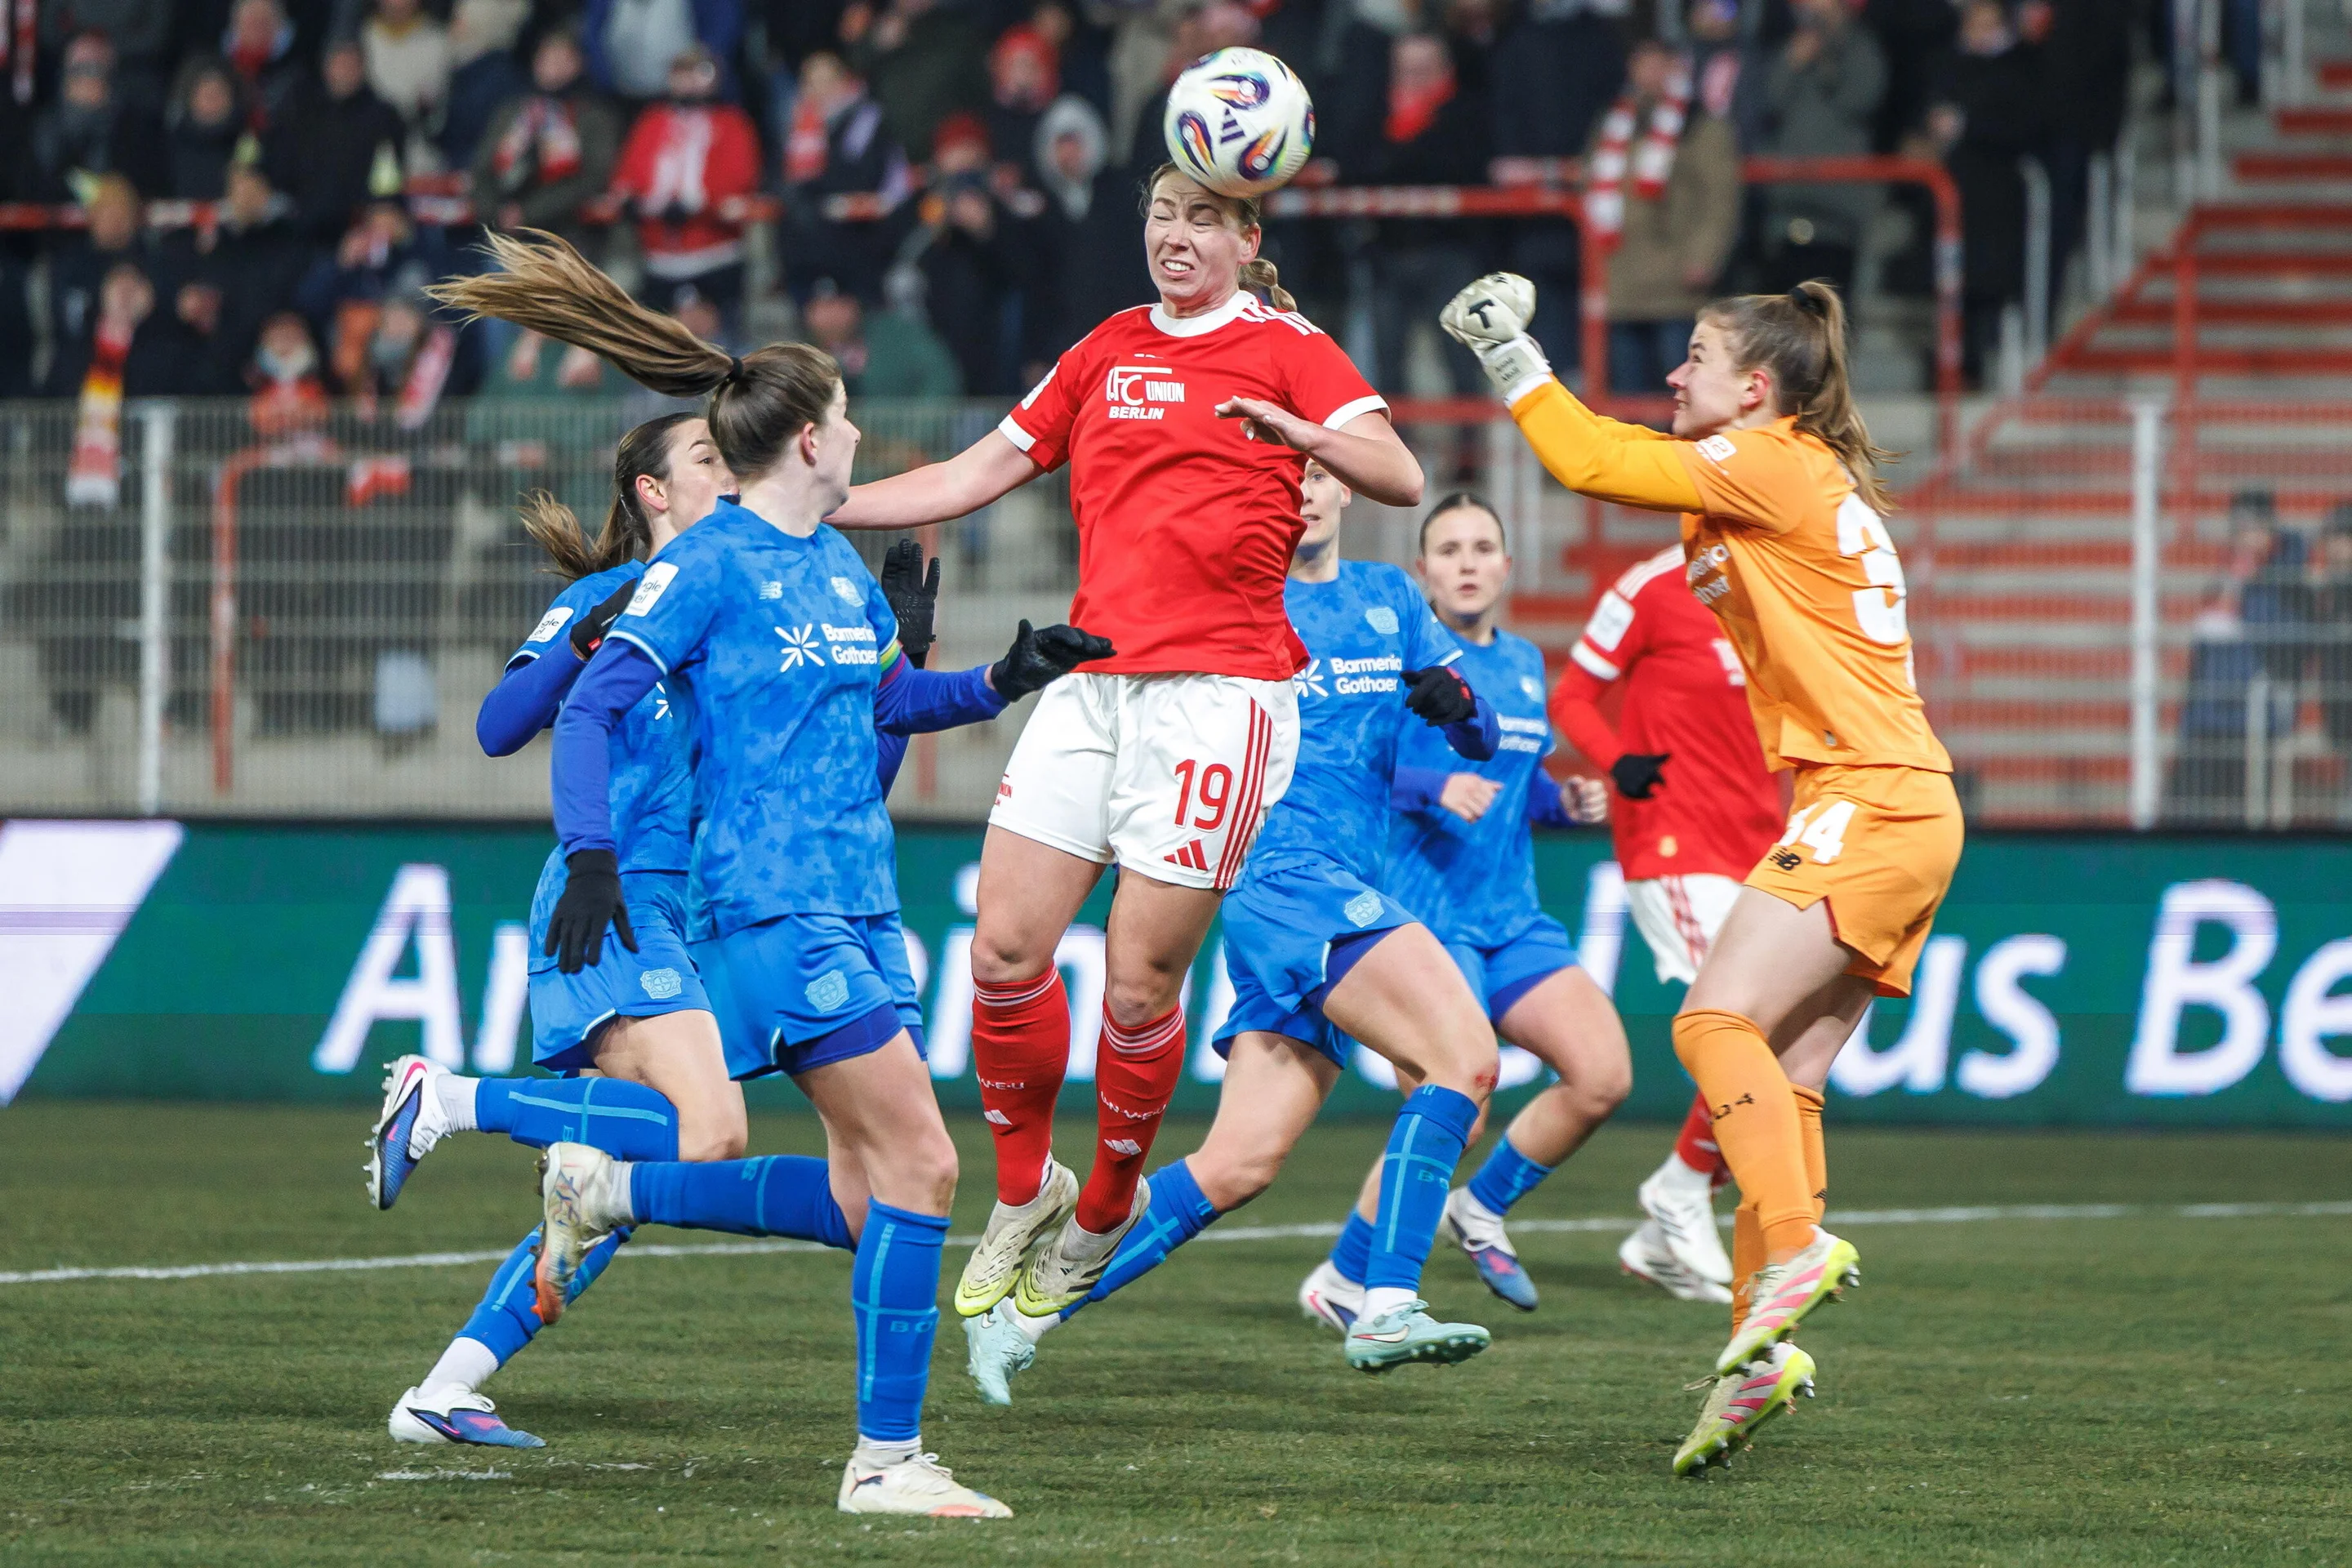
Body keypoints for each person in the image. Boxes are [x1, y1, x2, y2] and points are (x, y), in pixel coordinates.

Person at [416, 230, 1107, 1516]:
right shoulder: (708, 560)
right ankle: (884, 1461)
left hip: (857, 898)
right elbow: (583, 706)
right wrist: (595, 860)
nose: (858, 435)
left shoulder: (834, 564)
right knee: (927, 1167)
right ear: (807, 441)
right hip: (773, 908)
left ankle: (612, 1185)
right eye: (845, 417)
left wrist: (1004, 679)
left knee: (864, 1197)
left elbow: (891, 702)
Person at [826, 163, 1423, 1343]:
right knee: (1004, 945)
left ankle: (1104, 1207)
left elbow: (1399, 476)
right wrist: (811, 505)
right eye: (1161, 215)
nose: (1175, 237)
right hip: (1093, 683)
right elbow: (976, 472)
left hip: (1223, 699)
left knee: (1140, 977)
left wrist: (1299, 430)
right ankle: (1024, 1191)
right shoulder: (1104, 348)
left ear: (1248, 238)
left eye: (1203, 218)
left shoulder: (1288, 345)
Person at [1439, 270, 1961, 1477]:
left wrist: (1507, 351)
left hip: (1869, 798)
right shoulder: (1769, 484)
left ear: (1758, 387)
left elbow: (1591, 463)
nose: (1675, 375)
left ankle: (1786, 1256)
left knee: (1712, 1019)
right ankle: (1758, 1351)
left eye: (1694, 357)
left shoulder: (1772, 461)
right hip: (1897, 800)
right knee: (1785, 1074)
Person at [963, 459, 1507, 1403]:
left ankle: (1020, 1324)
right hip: (1283, 879)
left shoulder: (1391, 598)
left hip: (1337, 890)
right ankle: (1380, 1299)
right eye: (1280, 473)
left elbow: (1483, 737)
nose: (1299, 489)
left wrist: (1463, 711)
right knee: (1464, 1062)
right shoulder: (1229, 603)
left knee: (1238, 1163)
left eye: (1315, 473)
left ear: (1344, 488)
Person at [1295, 491, 1627, 1329]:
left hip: (1513, 919)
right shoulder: (1402, 660)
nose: (1468, 562)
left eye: (1483, 547)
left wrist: (1564, 801)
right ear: (1422, 572)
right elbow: (1361, 773)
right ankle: (1342, 1279)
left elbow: (1517, 790)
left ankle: (1477, 1211)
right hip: (1426, 920)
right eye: (1449, 550)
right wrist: (1436, 783)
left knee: (1602, 1075)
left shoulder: (1521, 663)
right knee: (1456, 1112)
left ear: (1507, 568)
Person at [1550, 532, 1785, 1304]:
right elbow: (1571, 696)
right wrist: (1617, 765)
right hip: (1674, 843)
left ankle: (1661, 1236)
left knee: (1778, 1038)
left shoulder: (1782, 587)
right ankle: (1681, 1195)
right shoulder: (1650, 587)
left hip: (1761, 846)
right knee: (1741, 1027)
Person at [1590, 39, 1743, 398]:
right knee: (1629, 403)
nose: (1649, 76)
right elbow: (1592, 187)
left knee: (1683, 393)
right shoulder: (1615, 124)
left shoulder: (1700, 126)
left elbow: (1719, 199)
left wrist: (1704, 258)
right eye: (1642, 66)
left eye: (1659, 66)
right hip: (1622, 280)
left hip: (1676, 283)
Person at [605, 45, 761, 324]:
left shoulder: (732, 122)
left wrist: (696, 204)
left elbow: (740, 179)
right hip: (658, 257)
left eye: (697, 73)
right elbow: (627, 175)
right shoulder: (652, 121)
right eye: (680, 73)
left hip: (715, 255)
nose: (688, 82)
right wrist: (632, 199)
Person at [470, 29, 622, 254]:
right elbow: (482, 167)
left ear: (578, 65)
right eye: (546, 58)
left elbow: (593, 178)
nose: (552, 66)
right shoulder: (513, 111)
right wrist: (497, 212)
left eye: (562, 59)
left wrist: (527, 213)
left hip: (567, 236)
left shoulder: (593, 116)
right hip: (502, 234)